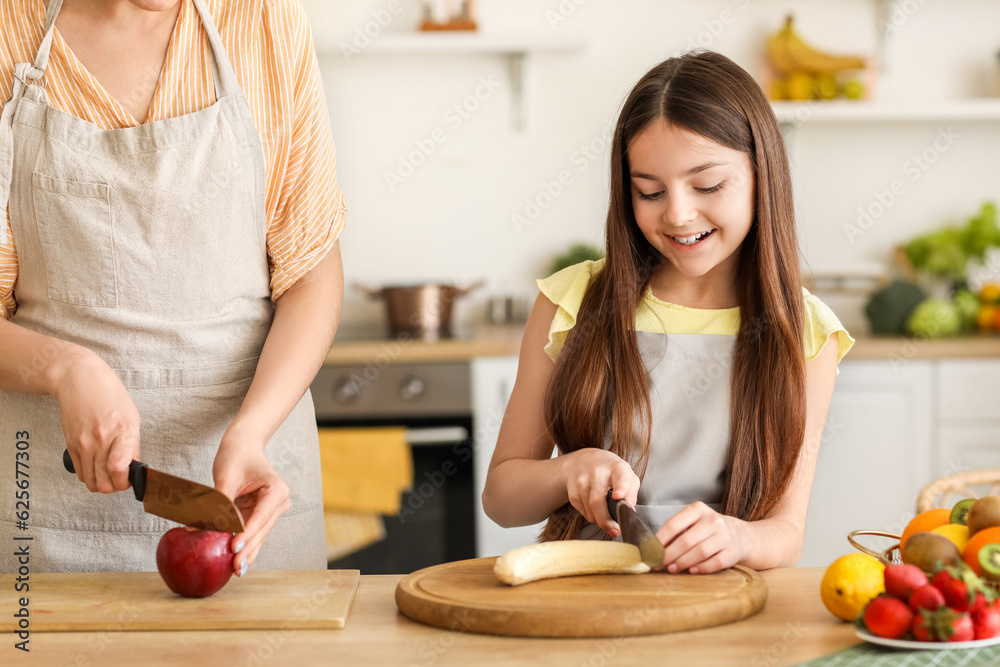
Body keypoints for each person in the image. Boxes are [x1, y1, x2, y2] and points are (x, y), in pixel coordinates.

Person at [0, 0, 346, 576]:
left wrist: (253, 431)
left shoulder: (263, 20)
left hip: (246, 507)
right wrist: (64, 369)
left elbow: (310, 274)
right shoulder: (10, 28)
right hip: (55, 529)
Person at [482, 51, 854, 574]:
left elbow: (786, 533)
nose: (677, 213)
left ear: (761, 172)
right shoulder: (571, 301)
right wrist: (570, 470)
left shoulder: (807, 333)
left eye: (707, 186)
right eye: (649, 192)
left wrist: (738, 538)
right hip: (583, 596)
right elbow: (501, 498)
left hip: (723, 606)